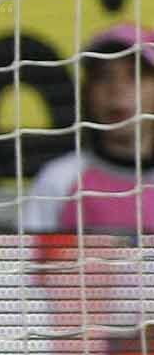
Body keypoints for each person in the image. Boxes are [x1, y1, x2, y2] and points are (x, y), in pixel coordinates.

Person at [21, 26, 154, 238]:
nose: (117, 89)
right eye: (103, 76)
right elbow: (31, 256)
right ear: (87, 92)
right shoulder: (59, 180)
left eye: (134, 75)